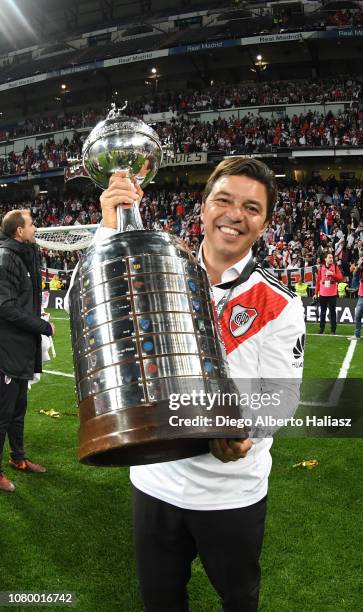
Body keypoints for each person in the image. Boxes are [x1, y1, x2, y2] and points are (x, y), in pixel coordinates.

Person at [69, 158, 304, 611]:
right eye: (224, 200)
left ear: (265, 224)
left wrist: (246, 432)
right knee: (160, 600)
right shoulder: (156, 265)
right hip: (155, 479)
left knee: (238, 599)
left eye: (252, 208)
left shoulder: (278, 303)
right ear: (203, 207)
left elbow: (282, 396)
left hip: (230, 490)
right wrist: (106, 229)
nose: (235, 214)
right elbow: (88, 299)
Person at [0, 210, 55, 493]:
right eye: (32, 224)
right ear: (19, 231)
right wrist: (41, 325)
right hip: (7, 348)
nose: (35, 227)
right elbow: (6, 307)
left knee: (18, 409)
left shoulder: (23, 254)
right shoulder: (5, 258)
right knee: (3, 414)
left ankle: (17, 458)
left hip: (21, 346)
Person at [314, 253, 343, 335]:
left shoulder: (335, 267)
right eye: (329, 258)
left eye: (332, 258)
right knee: (323, 312)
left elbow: (340, 279)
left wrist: (332, 274)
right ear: (325, 259)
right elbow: (318, 281)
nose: (331, 259)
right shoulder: (321, 268)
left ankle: (333, 329)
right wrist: (316, 293)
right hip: (323, 293)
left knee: (332, 312)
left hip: (332, 293)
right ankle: (321, 328)